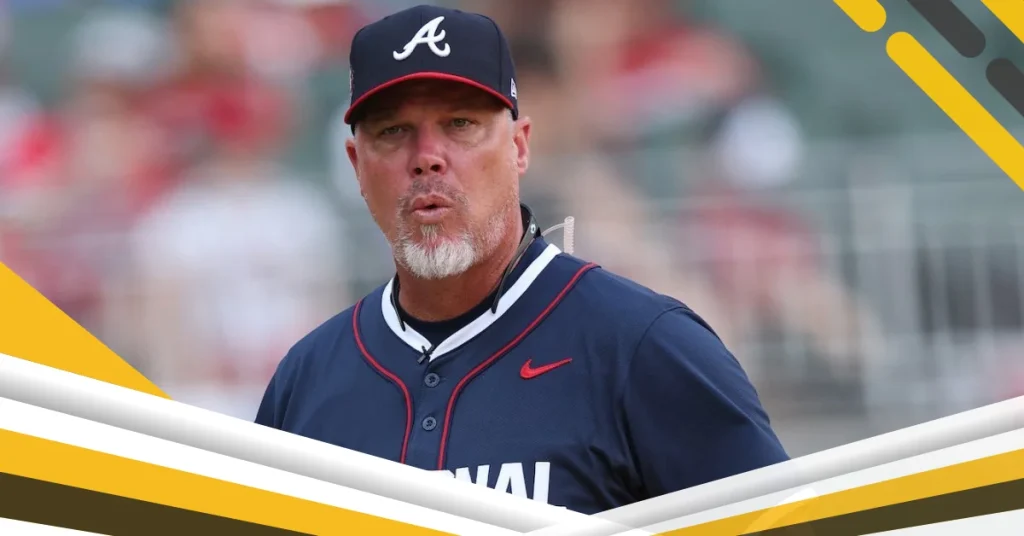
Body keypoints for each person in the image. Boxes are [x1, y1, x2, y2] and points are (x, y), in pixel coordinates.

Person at [254, 4, 789, 514]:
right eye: (393, 131)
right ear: (356, 164)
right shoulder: (305, 381)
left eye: (461, 124)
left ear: (520, 148)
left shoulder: (644, 346)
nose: (427, 158)